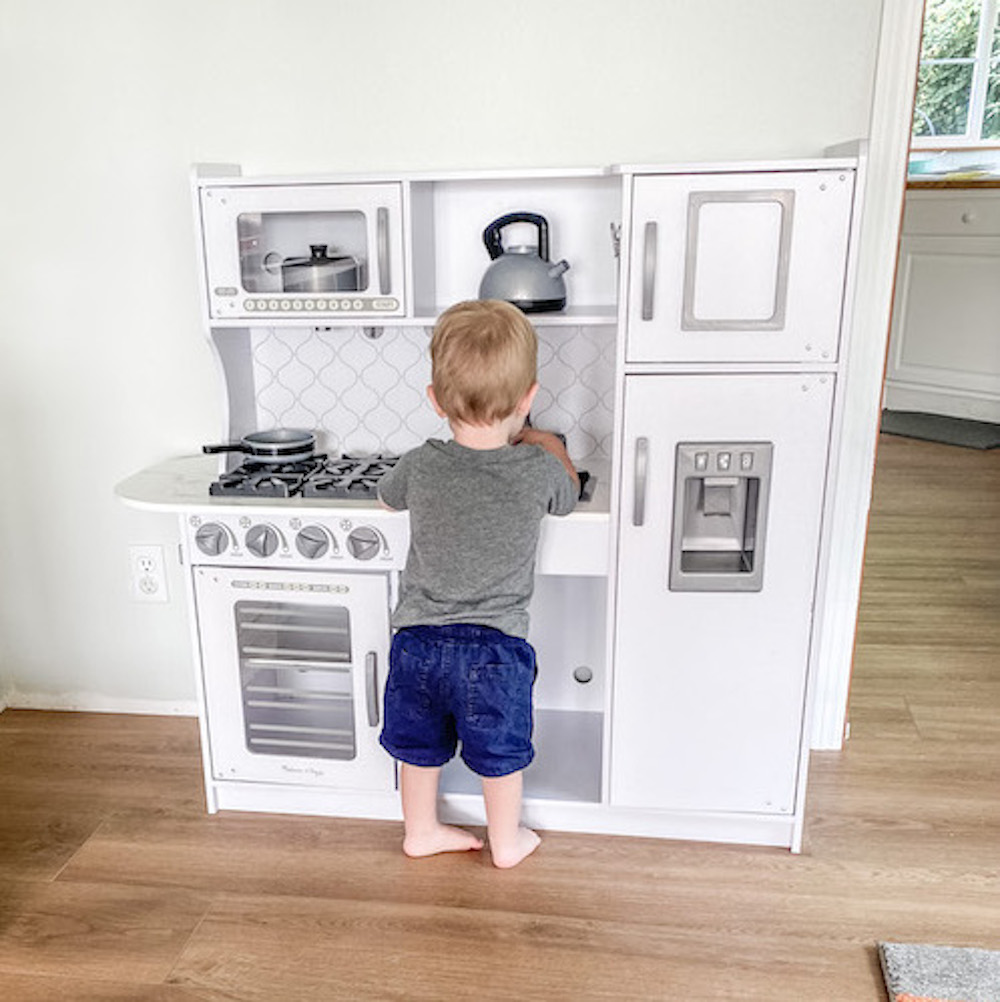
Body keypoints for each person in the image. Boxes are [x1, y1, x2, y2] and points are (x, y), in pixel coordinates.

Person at [377, 299, 579, 869]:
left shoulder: (420, 462)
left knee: (418, 748)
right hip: (495, 647)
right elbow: (566, 497)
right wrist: (546, 441)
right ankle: (507, 843)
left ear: (435, 399)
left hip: (417, 642)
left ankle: (420, 832)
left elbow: (386, 496)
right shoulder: (537, 468)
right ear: (529, 399)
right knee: (500, 753)